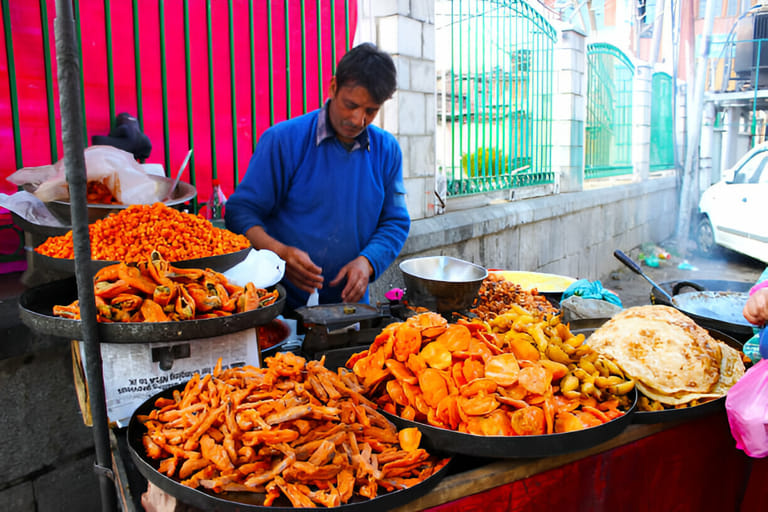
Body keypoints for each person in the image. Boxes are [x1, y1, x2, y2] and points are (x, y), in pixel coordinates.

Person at [225, 43, 410, 312]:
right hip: (279, 305)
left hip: (351, 308)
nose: (358, 120)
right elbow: (240, 213)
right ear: (333, 87)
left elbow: (395, 221)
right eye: (351, 105)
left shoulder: (387, 150)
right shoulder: (283, 141)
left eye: (370, 111)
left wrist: (368, 261)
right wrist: (280, 253)